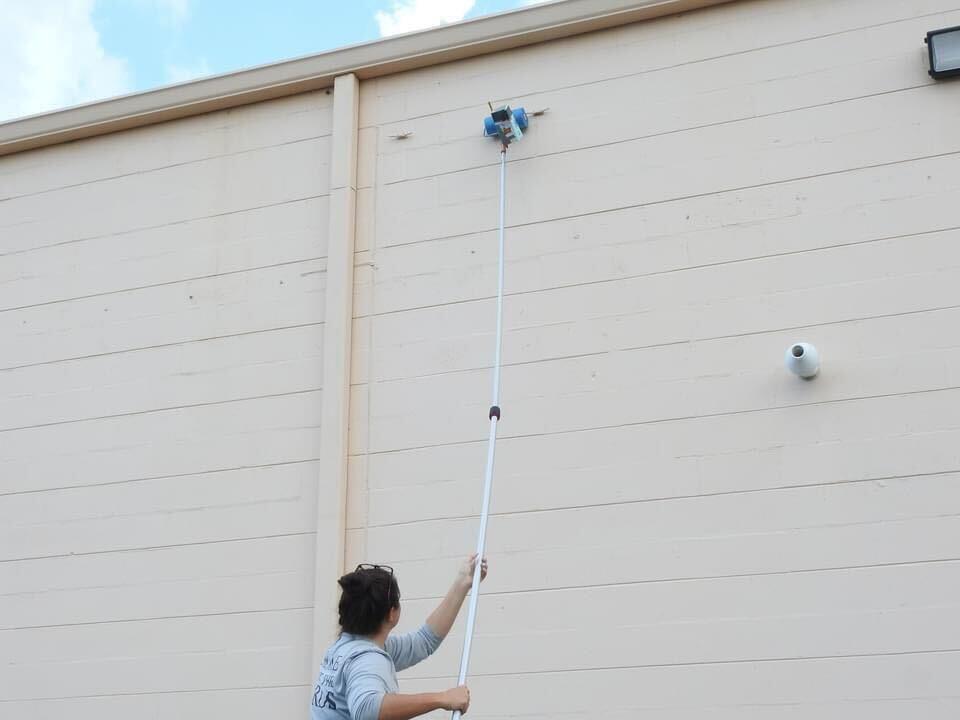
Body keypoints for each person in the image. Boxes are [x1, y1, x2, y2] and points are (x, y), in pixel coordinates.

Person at [310, 554, 489, 720]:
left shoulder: (348, 647)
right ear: (392, 613)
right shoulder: (367, 659)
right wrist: (442, 699)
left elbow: (424, 641)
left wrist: (463, 583)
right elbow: (366, 709)